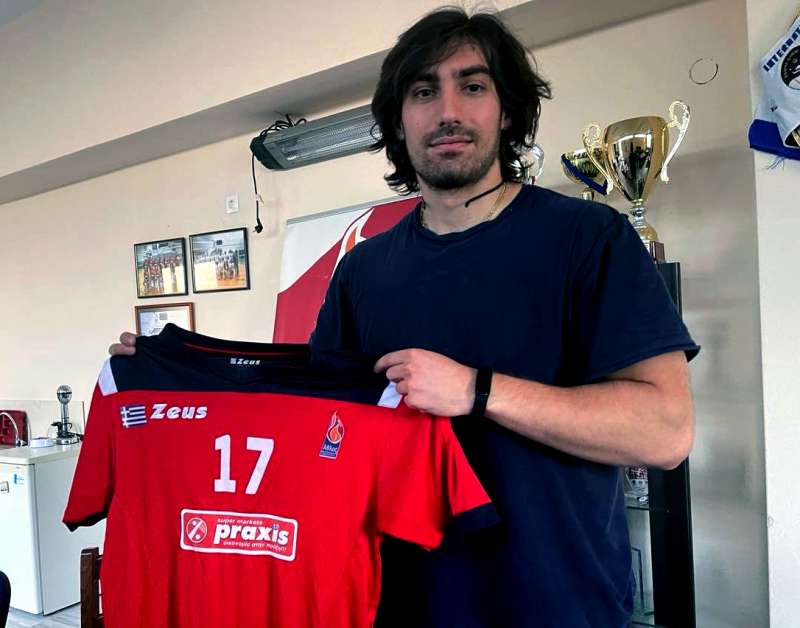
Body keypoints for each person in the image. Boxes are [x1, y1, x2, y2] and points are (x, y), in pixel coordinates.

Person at [111, 8, 698, 627]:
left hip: (557, 607)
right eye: (423, 92)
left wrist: (477, 390)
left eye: (473, 86)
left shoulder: (590, 238)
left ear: (506, 110)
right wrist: (171, 372)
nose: (448, 111)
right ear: (398, 119)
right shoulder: (362, 270)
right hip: (392, 606)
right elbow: (310, 415)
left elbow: (665, 433)